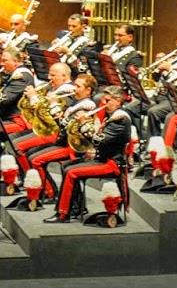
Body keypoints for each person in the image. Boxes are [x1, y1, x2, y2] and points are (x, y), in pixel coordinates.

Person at [47, 86, 132, 223]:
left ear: (117, 101)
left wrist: (83, 124)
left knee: (71, 172)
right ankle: (76, 207)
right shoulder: (111, 115)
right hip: (103, 158)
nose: (103, 103)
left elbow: (99, 140)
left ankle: (63, 214)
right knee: (67, 165)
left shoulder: (120, 119)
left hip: (112, 163)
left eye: (107, 100)